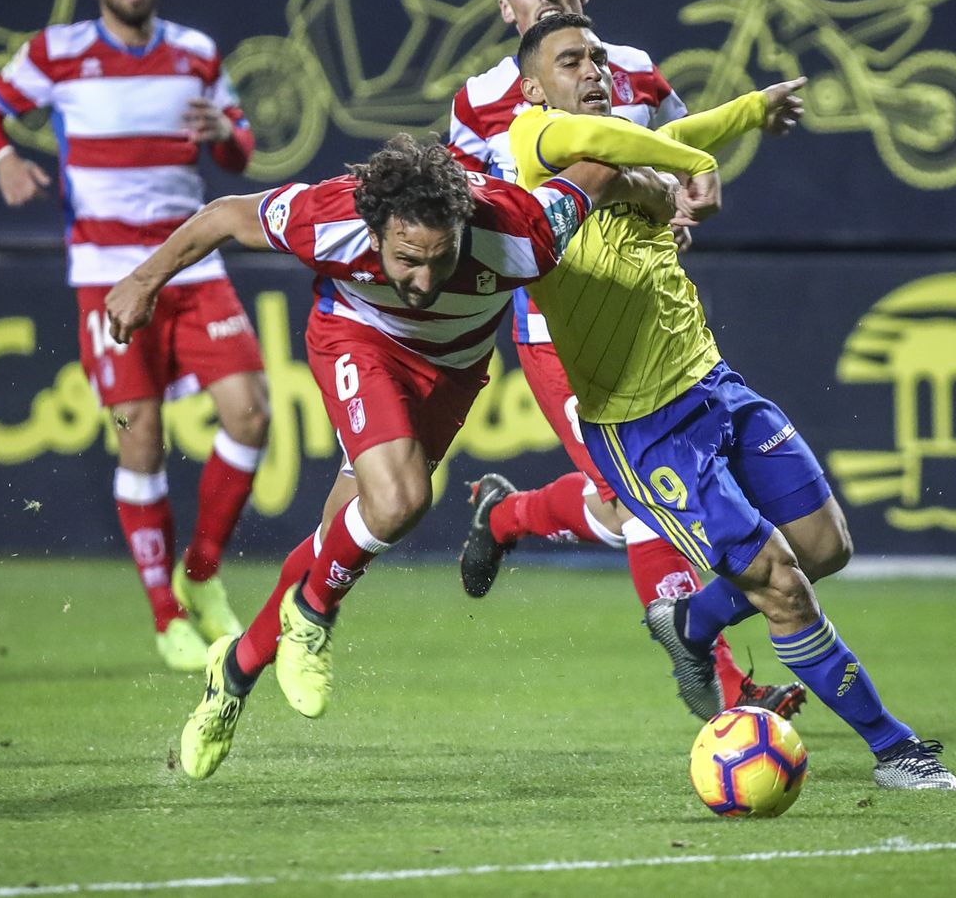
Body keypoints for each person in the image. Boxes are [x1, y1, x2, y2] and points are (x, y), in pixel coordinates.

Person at [104, 134, 681, 777]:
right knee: (402, 499)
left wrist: (656, 192)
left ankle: (234, 672)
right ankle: (313, 614)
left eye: (443, 258)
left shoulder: (521, 230)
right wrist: (142, 279)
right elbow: (223, 215)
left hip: (453, 372)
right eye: (408, 259)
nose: (425, 280)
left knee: (344, 532)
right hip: (358, 340)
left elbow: (600, 172)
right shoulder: (329, 216)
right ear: (374, 230)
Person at [505, 12, 956, 790]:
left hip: (715, 386)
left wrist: (746, 112)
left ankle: (691, 620)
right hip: (644, 429)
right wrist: (686, 159)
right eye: (570, 60)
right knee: (783, 583)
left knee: (826, 547)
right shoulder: (535, 139)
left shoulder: (628, 142)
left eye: (597, 57)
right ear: (533, 84)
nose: (591, 70)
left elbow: (654, 140)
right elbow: (624, 149)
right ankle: (896, 750)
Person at [447, 0, 803, 720]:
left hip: (649, 318)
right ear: (508, 8)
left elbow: (681, 146)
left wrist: (695, 192)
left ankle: (506, 515)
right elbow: (465, 206)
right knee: (648, 502)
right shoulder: (479, 100)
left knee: (623, 504)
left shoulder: (634, 68)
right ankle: (727, 694)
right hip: (554, 328)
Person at [0, 0, 270, 672]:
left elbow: (239, 147)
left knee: (252, 412)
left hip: (191, 263)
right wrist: (3, 159)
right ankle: (164, 612)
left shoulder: (196, 53)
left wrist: (224, 133)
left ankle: (200, 573)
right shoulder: (58, 53)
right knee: (142, 435)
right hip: (106, 276)